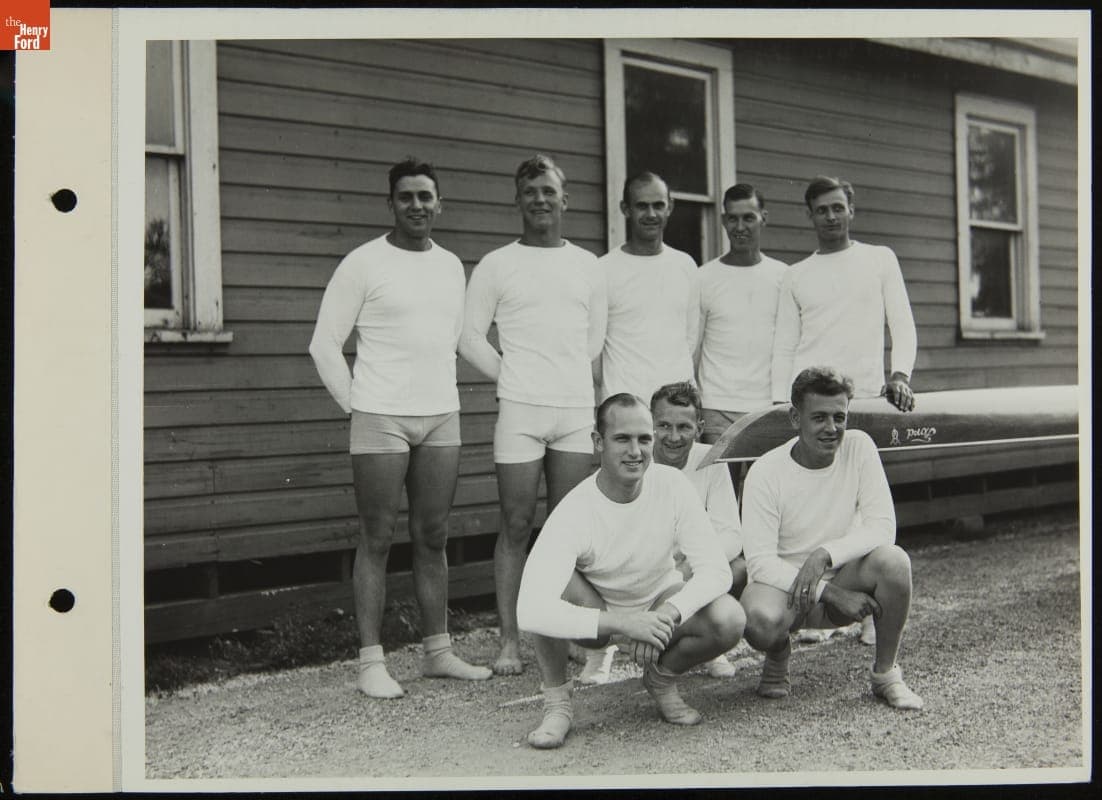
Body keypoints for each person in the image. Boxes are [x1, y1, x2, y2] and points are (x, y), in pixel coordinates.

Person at [309, 157, 491, 699]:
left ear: (440, 204)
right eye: (406, 196)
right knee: (377, 536)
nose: (417, 205)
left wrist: (516, 376)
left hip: (440, 414)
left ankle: (437, 652)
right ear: (390, 203)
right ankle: (371, 661)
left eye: (425, 196)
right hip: (379, 416)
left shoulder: (452, 265)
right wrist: (357, 405)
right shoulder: (363, 263)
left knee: (433, 536)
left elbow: (461, 339)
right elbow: (323, 344)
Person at [516, 394, 746, 749]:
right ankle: (557, 705)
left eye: (644, 439)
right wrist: (624, 624)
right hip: (600, 612)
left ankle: (661, 678)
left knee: (729, 618)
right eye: (622, 439)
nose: (635, 451)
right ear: (598, 442)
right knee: (546, 584)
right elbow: (530, 610)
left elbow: (717, 571)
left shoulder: (671, 484)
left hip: (659, 603)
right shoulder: (575, 508)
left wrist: (666, 614)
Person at [459, 154, 607, 676]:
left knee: (567, 525)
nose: (540, 200)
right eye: (530, 192)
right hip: (520, 411)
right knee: (517, 522)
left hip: (572, 409)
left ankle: (565, 631)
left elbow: (594, 340)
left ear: (565, 199)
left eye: (549, 191)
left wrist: (559, 376)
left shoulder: (589, 265)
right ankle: (509, 640)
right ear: (517, 200)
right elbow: (468, 336)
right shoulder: (497, 264)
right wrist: (513, 376)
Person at [771, 175, 919, 645]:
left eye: (838, 207)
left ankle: (875, 611)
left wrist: (901, 375)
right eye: (821, 209)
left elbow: (902, 322)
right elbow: (784, 346)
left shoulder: (879, 259)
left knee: (867, 507)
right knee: (816, 507)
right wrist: (782, 405)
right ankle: (816, 606)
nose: (831, 216)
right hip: (812, 404)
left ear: (851, 209)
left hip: (867, 399)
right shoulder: (795, 275)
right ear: (809, 215)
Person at [739, 367, 923, 711]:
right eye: (819, 417)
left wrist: (824, 555)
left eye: (840, 417)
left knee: (894, 562)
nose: (832, 428)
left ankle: (886, 674)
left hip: (842, 575)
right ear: (795, 418)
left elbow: (883, 526)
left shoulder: (859, 447)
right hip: (785, 593)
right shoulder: (766, 471)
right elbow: (760, 563)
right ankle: (778, 653)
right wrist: (830, 593)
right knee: (759, 621)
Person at [576, 381, 746, 684]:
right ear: (650, 426)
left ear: (700, 427)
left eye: (684, 427)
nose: (673, 437)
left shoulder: (711, 462)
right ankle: (602, 651)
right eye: (663, 426)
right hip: (635, 570)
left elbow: (731, 533)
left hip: (688, 568)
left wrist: (694, 562)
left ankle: (697, 651)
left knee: (736, 568)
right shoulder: (631, 459)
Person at [695, 183, 788, 445]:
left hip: (768, 404)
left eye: (748, 217)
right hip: (717, 404)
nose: (740, 227)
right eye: (732, 218)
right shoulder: (704, 277)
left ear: (763, 219)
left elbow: (789, 344)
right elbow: (694, 344)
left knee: (766, 484)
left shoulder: (783, 276)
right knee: (721, 485)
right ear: (723, 221)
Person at [597, 172, 698, 402]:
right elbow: (594, 349)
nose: (651, 214)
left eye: (658, 205)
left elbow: (690, 338)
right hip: (624, 403)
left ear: (669, 207)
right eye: (642, 206)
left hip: (676, 404)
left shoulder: (685, 265)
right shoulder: (603, 269)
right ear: (626, 209)